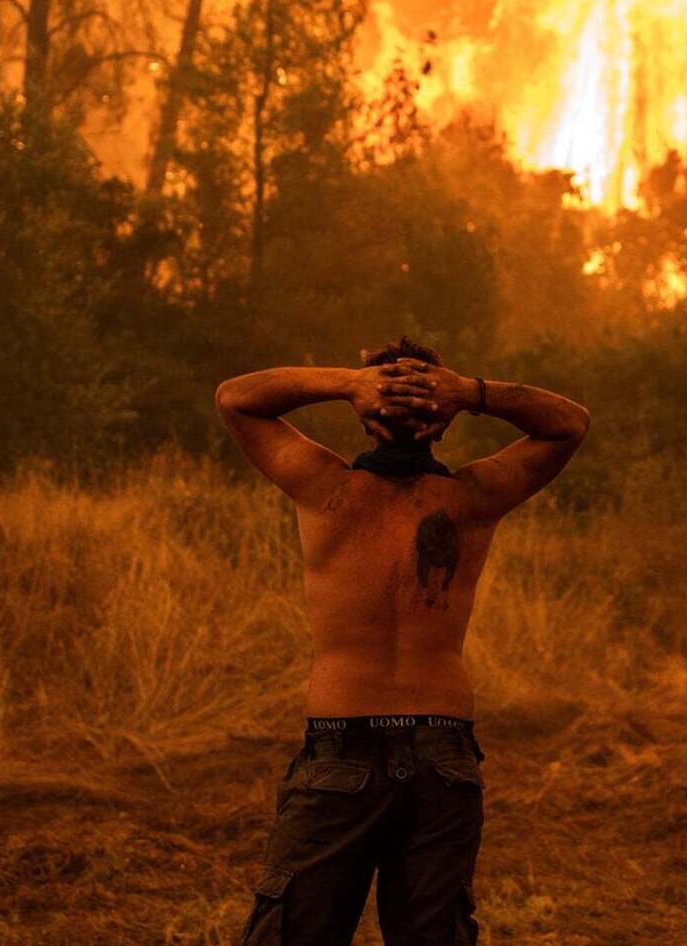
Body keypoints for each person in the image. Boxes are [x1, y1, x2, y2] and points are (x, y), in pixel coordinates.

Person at [213, 336, 590, 945]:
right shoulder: (471, 499)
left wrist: (349, 383)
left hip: (344, 746)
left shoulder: (324, 488)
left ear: (365, 419)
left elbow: (236, 398)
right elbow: (569, 424)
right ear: (441, 425)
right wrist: (470, 393)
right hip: (442, 754)